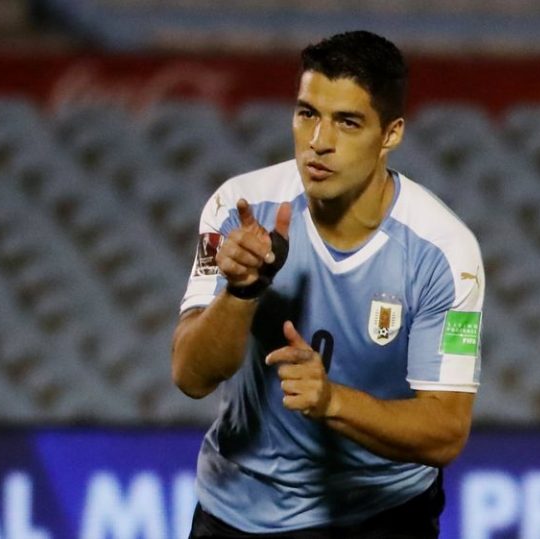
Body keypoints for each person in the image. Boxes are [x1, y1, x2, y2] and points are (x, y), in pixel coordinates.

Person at [171, 30, 485, 539]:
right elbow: (190, 375)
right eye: (307, 114)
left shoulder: (445, 253)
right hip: (237, 511)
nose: (319, 141)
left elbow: (446, 431)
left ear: (391, 134)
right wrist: (243, 291)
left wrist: (331, 401)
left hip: (382, 514)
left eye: (348, 122)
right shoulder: (240, 209)